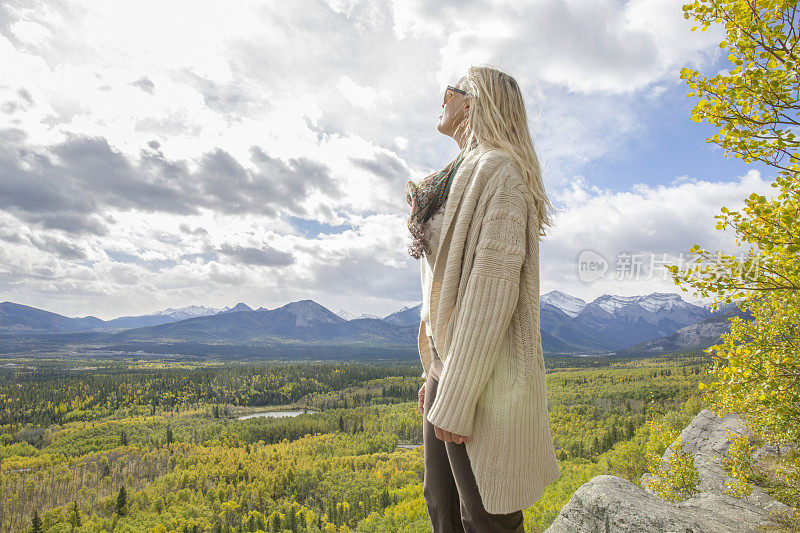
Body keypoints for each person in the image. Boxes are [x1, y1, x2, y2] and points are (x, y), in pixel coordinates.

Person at [405, 65, 561, 532]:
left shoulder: (500, 173)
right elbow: (441, 292)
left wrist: (457, 390)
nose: (443, 97)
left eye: (451, 90)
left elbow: (490, 295)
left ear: (473, 102)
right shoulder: (456, 177)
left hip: (481, 379)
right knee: (441, 502)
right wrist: (433, 374)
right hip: (448, 369)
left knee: (486, 514)